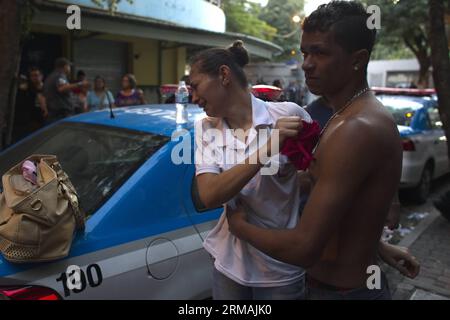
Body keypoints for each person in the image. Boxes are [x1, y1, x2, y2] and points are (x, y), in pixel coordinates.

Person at [227, 1, 420, 300]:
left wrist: (239, 227)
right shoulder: (343, 114)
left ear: (358, 60)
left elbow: (303, 248)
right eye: (305, 52)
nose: (306, 63)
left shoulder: (357, 128)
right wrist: (377, 247)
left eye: (320, 53)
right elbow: (349, 209)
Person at [191, 40, 312, 300]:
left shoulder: (289, 115)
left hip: (280, 269)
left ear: (224, 75)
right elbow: (210, 194)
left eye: (195, 86)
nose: (193, 97)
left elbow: (322, 177)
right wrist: (270, 147)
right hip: (228, 265)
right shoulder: (206, 128)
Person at [43, 58, 88, 123]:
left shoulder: (50, 76)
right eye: (69, 66)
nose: (70, 68)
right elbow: (62, 88)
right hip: (61, 113)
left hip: (54, 112)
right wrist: (80, 83)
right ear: (65, 66)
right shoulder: (59, 76)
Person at [12, 68, 48, 143]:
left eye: (37, 75)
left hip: (42, 119)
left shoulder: (46, 88)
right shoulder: (27, 89)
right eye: (32, 76)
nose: (35, 78)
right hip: (29, 120)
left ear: (41, 76)